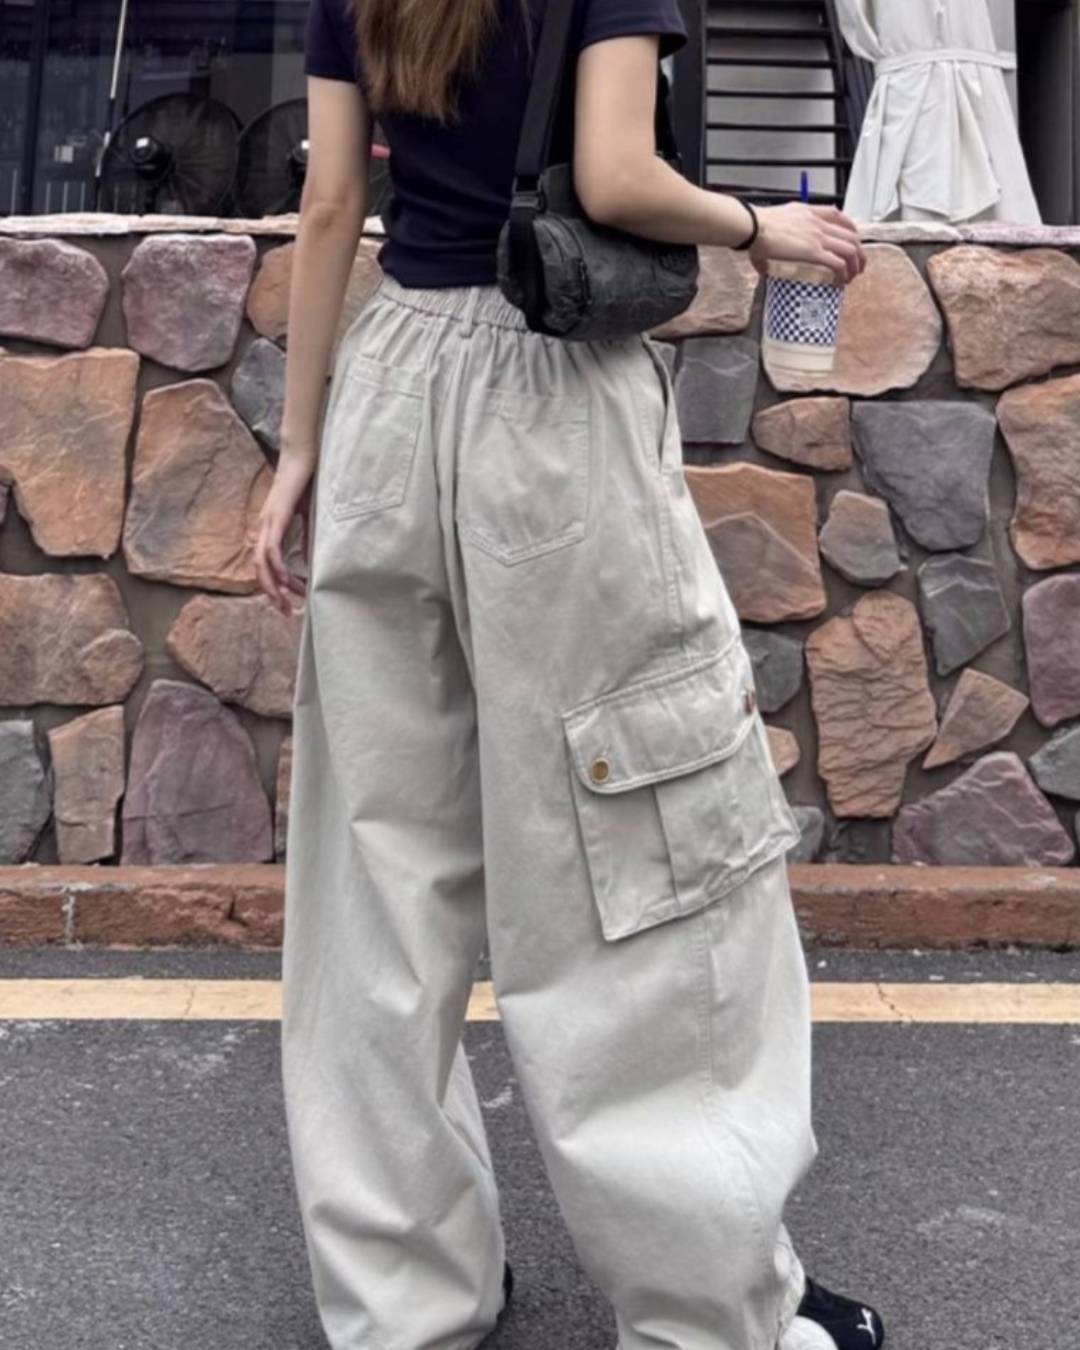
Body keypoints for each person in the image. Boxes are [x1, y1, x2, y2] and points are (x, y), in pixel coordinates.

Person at [255, 2, 883, 1348]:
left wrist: (300, 445)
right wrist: (763, 227)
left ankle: (405, 1300)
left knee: (378, 873)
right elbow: (614, 177)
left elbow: (331, 204)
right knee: (636, 852)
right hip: (548, 398)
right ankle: (712, 1312)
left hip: (387, 383)